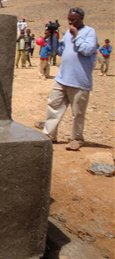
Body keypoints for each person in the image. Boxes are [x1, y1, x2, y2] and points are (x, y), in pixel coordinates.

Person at [39, 8, 97, 151]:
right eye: (69, 19)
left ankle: (76, 139)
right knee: (54, 106)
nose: (70, 22)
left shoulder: (90, 32)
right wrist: (52, 37)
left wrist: (76, 35)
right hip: (62, 78)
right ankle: (49, 136)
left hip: (79, 80)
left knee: (77, 112)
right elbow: (57, 51)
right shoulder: (67, 34)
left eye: (74, 19)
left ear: (81, 18)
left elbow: (87, 50)